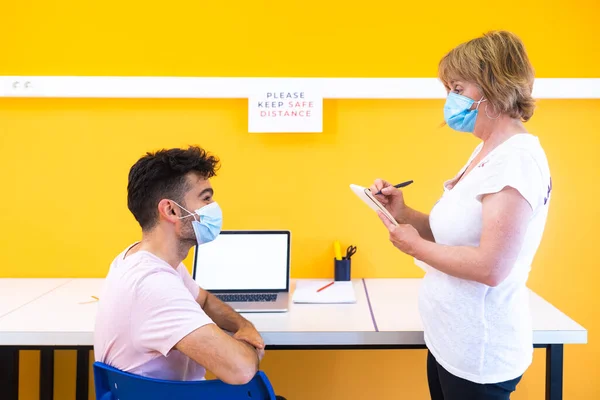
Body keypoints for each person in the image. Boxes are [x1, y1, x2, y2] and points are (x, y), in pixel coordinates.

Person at [371, 31, 552, 400]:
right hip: (450, 341)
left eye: (457, 88)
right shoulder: (487, 151)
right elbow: (456, 236)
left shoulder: (515, 161)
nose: (450, 100)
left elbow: (490, 267)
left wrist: (415, 247)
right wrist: (404, 213)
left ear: (493, 86)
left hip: (479, 355)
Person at [94, 146, 286, 398]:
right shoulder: (153, 286)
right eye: (206, 198)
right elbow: (240, 370)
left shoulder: (145, 260)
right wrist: (249, 345)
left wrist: (242, 325)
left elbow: (203, 299)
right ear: (171, 210)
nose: (214, 207)